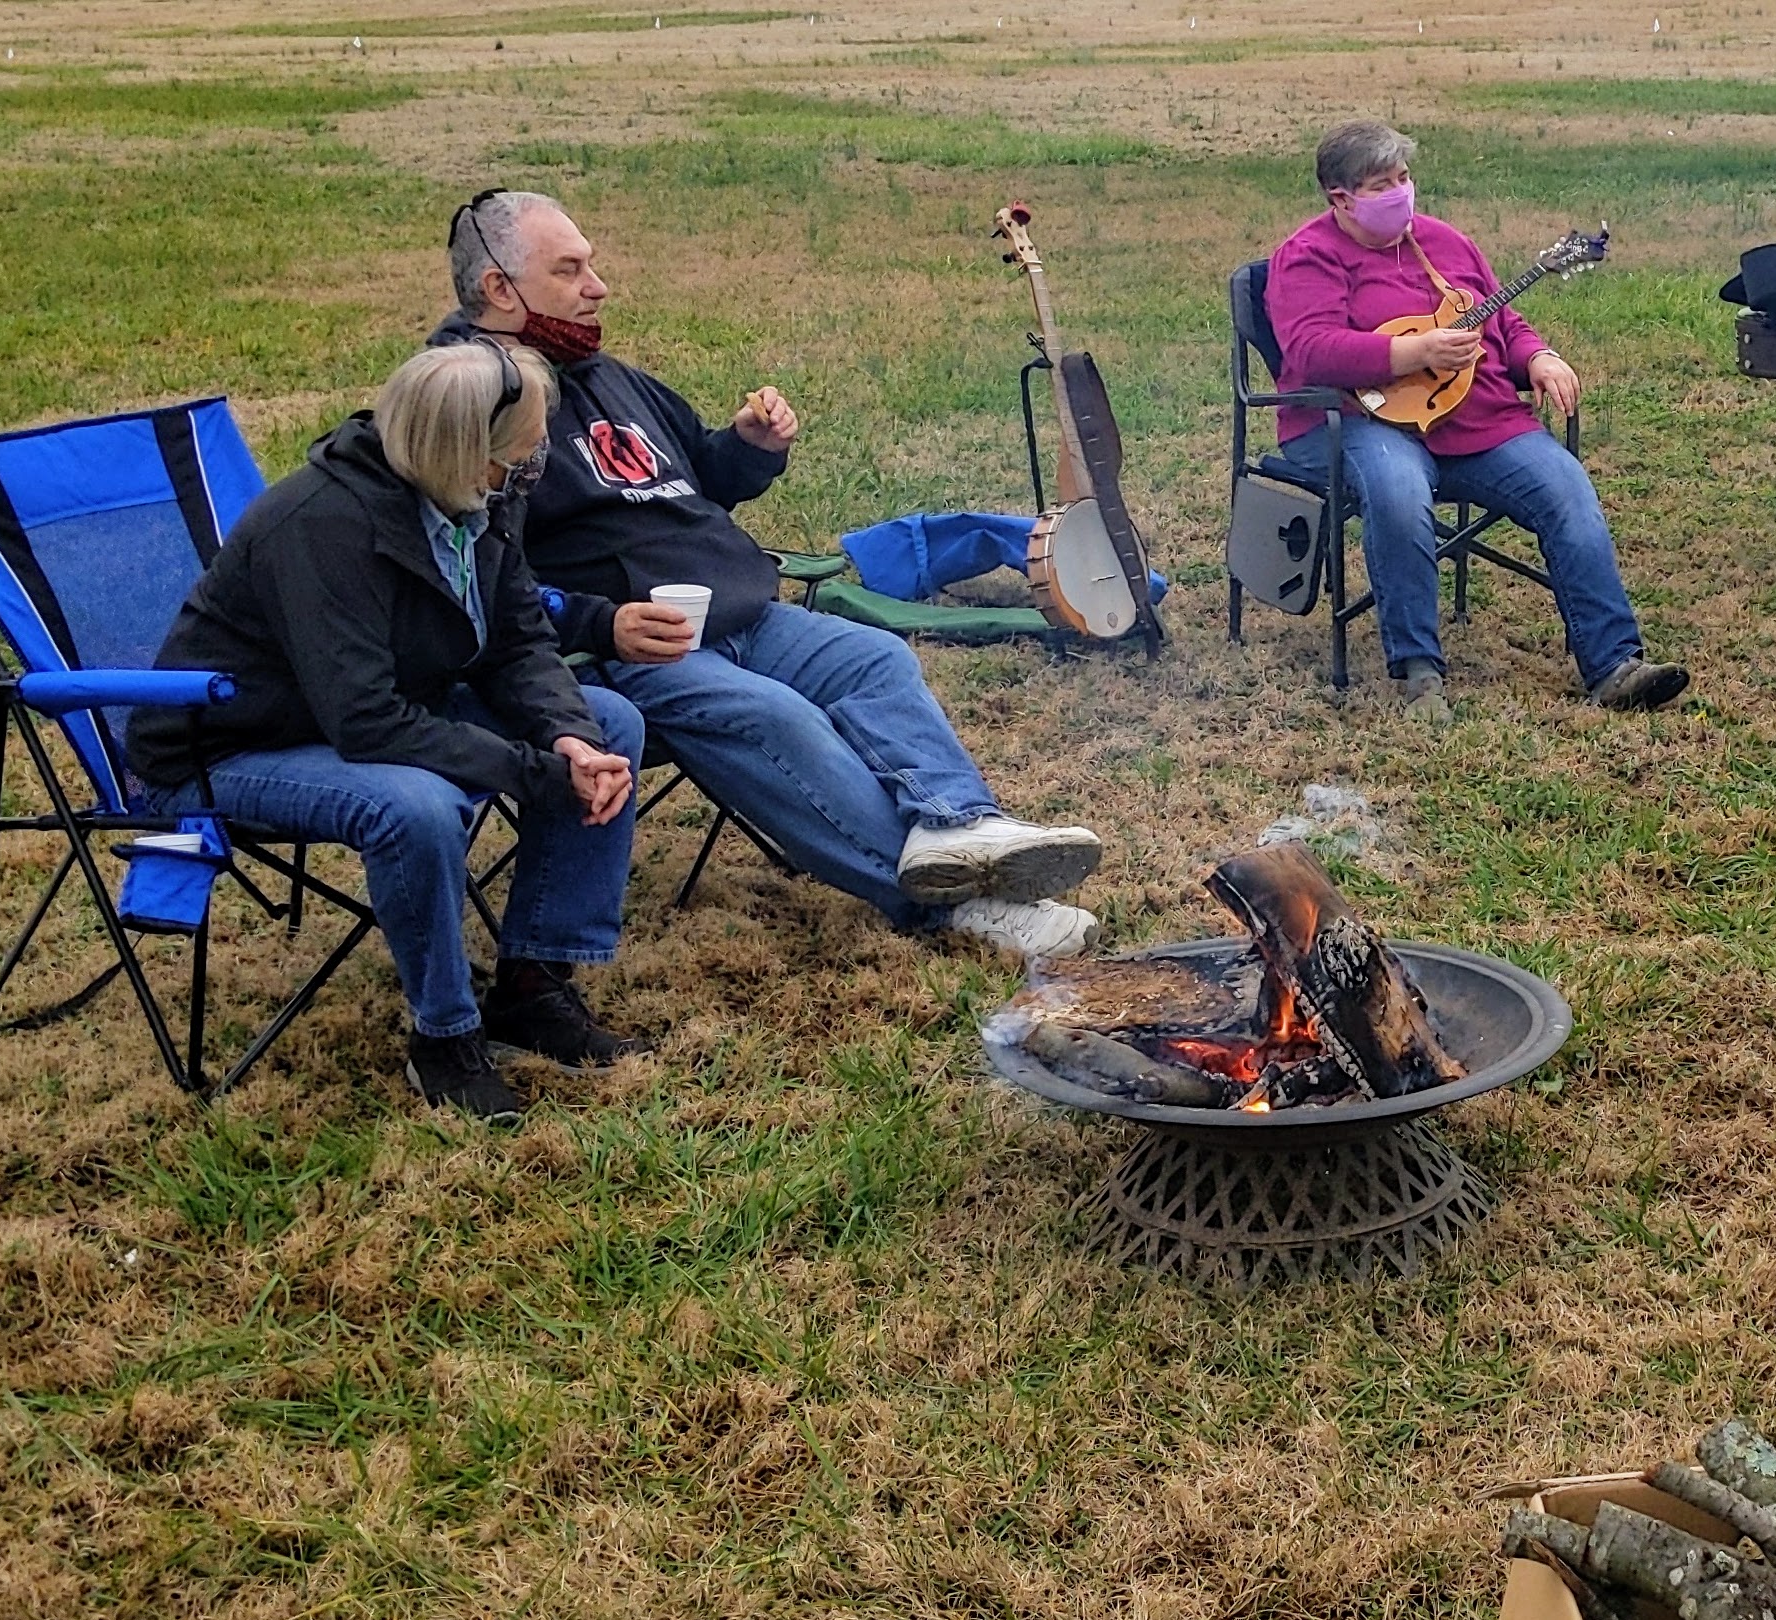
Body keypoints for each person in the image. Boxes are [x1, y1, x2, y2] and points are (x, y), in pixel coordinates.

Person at [430, 189, 1104, 960]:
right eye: (571, 269)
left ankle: (960, 828)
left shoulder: (604, 374)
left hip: (743, 610)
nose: (598, 286)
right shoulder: (470, 400)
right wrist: (598, 622)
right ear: (498, 289)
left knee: (875, 657)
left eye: (593, 266)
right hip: (634, 651)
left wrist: (748, 445)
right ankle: (958, 907)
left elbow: (699, 474)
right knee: (777, 719)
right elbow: (472, 577)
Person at [128, 345, 649, 1120]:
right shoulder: (318, 526)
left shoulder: (480, 497)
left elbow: (515, 642)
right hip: (230, 745)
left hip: (381, 708)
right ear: (465, 453)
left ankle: (534, 985)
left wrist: (569, 737)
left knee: (611, 722)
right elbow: (367, 722)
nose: (537, 464)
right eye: (522, 453)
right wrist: (535, 771)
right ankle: (444, 1036)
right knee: (415, 806)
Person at [1265, 120, 1689, 723]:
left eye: (1404, 178)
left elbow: (1503, 323)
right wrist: (1413, 354)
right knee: (1399, 489)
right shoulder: (1306, 257)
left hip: (1476, 419)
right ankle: (1419, 674)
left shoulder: (1447, 243)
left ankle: (1615, 665)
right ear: (1341, 198)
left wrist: (1537, 356)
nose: (1400, 192)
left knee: (1565, 488)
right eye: (1383, 184)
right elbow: (1309, 350)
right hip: (1357, 421)